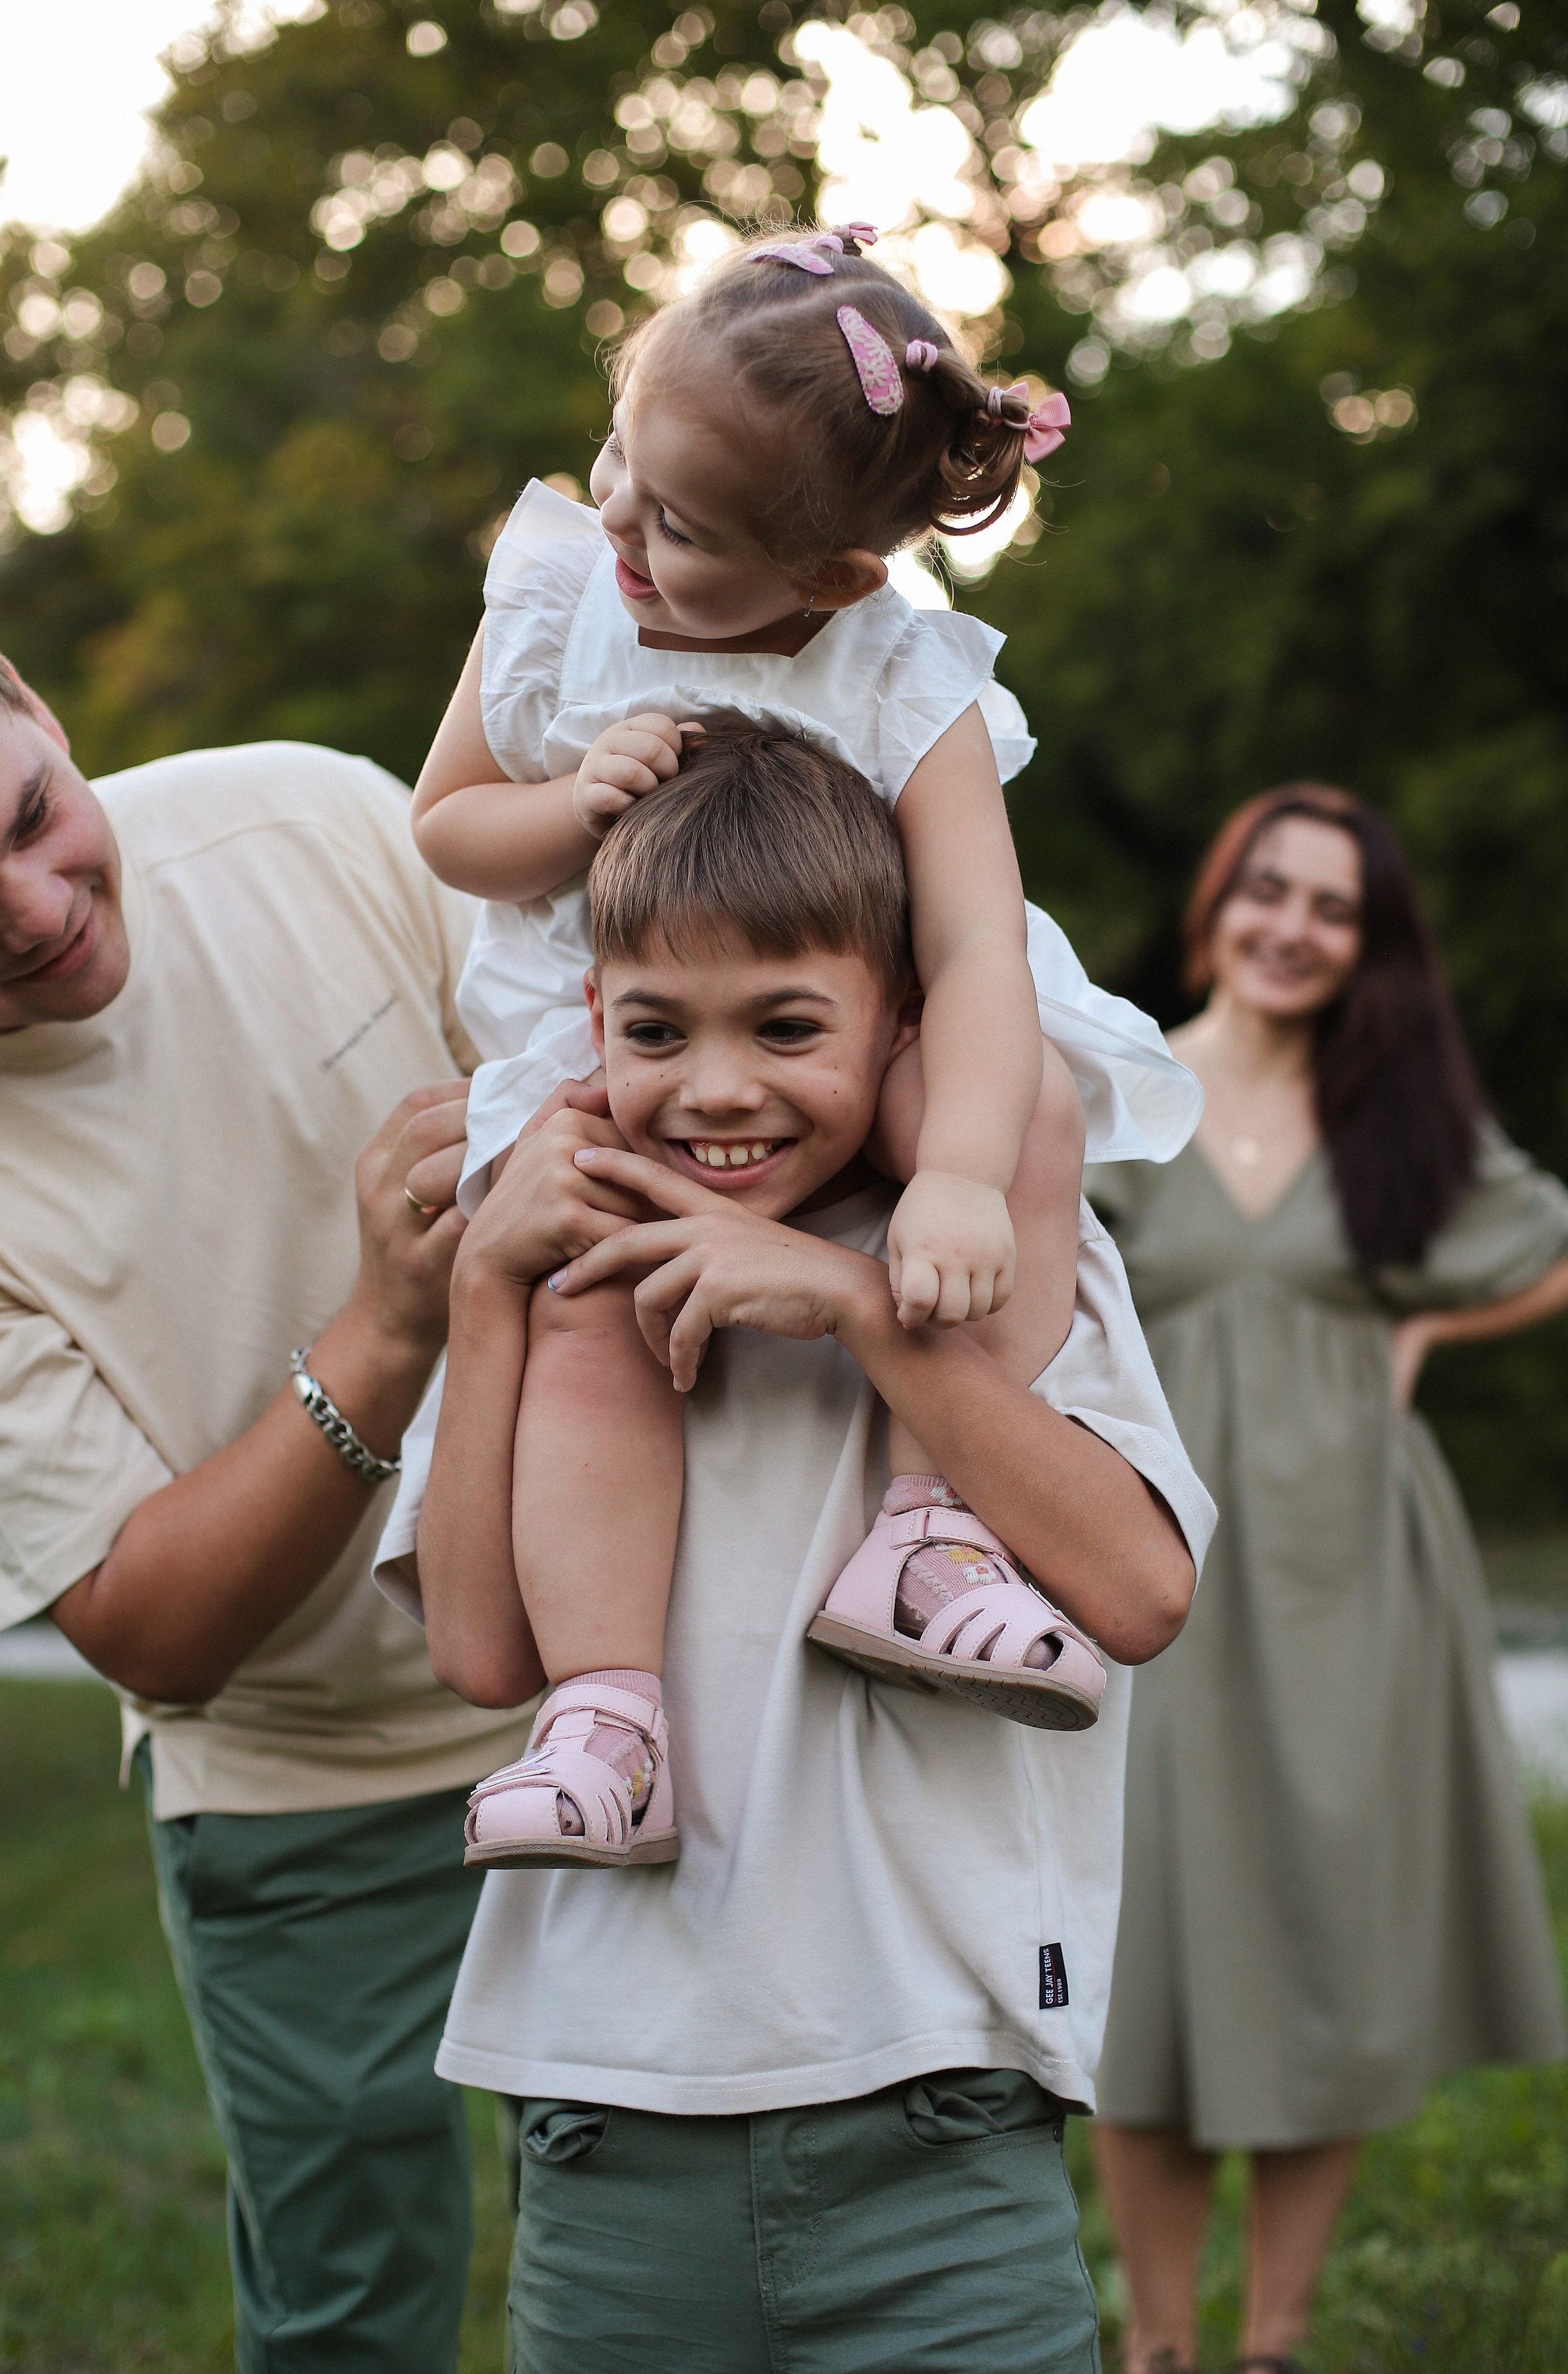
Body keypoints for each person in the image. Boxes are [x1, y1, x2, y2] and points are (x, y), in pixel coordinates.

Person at [375, 730, 1217, 2369]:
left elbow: (1138, 1592)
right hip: (605, 2105)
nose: (717, 1090)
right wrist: (482, 1286)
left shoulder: (993, 1258)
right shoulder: (562, 1293)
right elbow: (480, 1652)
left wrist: (865, 1315)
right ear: (591, 1024)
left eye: (785, 1026)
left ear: (901, 1021)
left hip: (938, 2107)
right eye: (655, 1030)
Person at [405, 219, 1200, 1863]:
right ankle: (606, 1717)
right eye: (617, 458)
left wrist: (955, 1179)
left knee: (1026, 1114)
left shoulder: (902, 672)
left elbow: (971, 944)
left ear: (833, 573)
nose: (618, 521)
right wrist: (573, 802)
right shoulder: (557, 598)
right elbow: (448, 825)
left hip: (867, 1031)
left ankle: (930, 1534)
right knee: (591, 1285)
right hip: (603, 1045)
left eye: (678, 522)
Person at [0, 634, 535, 2372]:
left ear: (43, 717)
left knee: (665, 2271)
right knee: (349, 2319)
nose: (31, 911)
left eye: (29, 816)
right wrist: (384, 1331)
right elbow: (151, 1628)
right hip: (301, 1797)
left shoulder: (307, 819)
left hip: (609, 1696)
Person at [1084, 784, 1568, 2374]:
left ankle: (1273, 2345)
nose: (1290, 928)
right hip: (1150, 1563)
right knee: (1153, 1955)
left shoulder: (1394, 1113)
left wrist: (1421, 1321)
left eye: (1333, 907)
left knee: (1326, 1931)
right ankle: (1160, 2346)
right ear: (1214, 903)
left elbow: (1542, 1242)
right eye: (1267, 890)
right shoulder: (1114, 1081)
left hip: (1354, 1565)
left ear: (1370, 944)